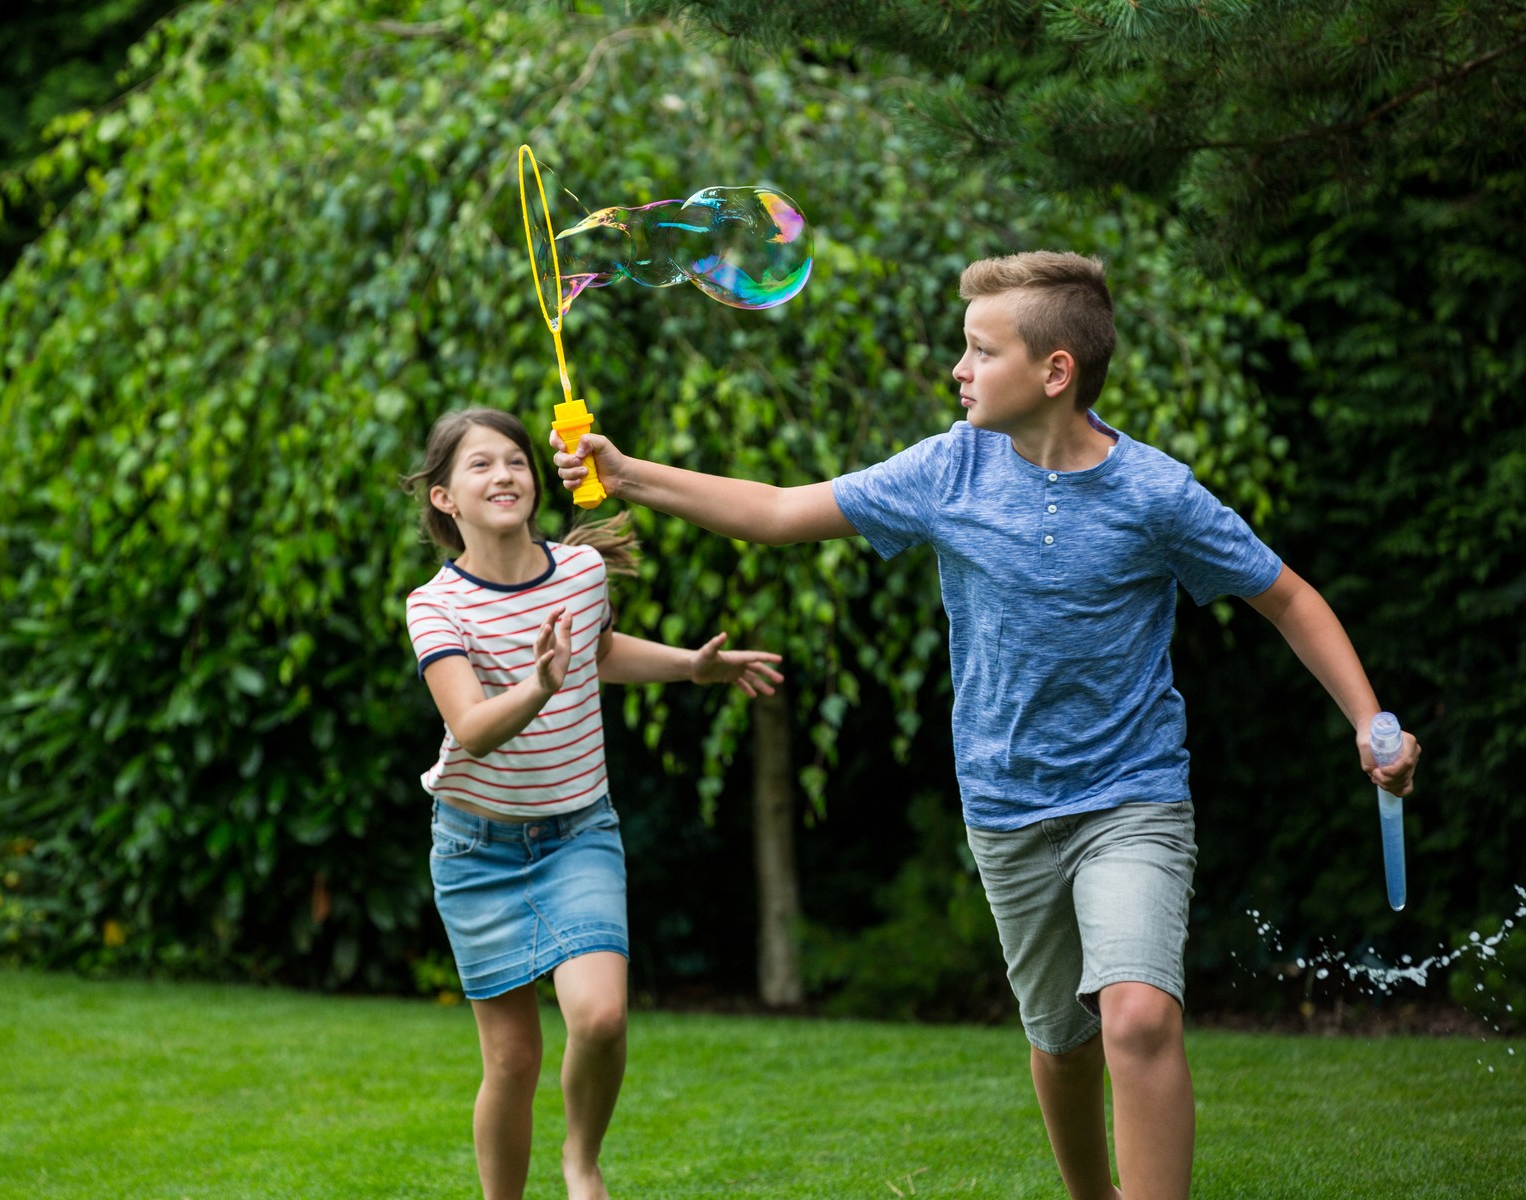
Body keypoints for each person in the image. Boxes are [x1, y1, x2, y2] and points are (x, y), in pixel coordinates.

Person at [548, 251, 1422, 1200]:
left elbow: (1286, 596)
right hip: (1006, 809)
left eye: (980, 350)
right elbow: (777, 511)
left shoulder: (1155, 494)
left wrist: (1367, 717)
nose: (958, 369)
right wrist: (626, 473)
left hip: (1131, 798)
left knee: (1137, 1018)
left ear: (1055, 372)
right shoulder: (947, 470)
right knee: (1063, 1040)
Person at [401, 407, 783, 1200]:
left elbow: (599, 653)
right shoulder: (435, 605)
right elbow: (471, 729)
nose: (505, 474)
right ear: (444, 498)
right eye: (480, 465)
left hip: (578, 832)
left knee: (602, 1018)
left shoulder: (577, 573)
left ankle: (581, 1161)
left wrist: (690, 666)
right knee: (513, 1060)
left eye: (516, 460)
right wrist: (539, 686)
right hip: (477, 849)